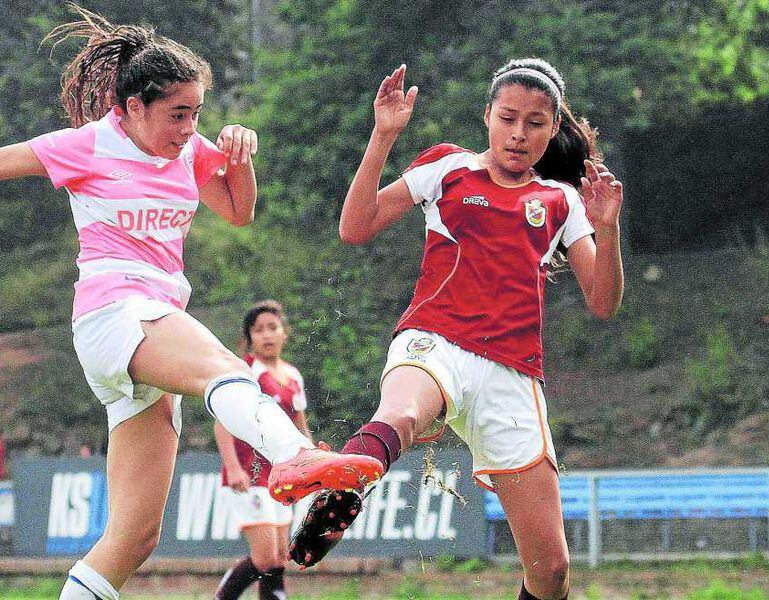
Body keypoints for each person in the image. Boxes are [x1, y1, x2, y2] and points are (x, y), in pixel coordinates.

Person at [0, 6, 382, 599]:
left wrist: (239, 161)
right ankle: (295, 456)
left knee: (133, 537)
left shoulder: (190, 150)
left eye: (197, 112)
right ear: (131, 107)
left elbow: (238, 211)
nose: (189, 126)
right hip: (113, 314)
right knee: (225, 369)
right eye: (178, 114)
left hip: (153, 328)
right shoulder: (85, 145)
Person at [289, 59, 624, 600]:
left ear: (554, 129)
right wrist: (382, 136)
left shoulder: (561, 202)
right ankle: (341, 491)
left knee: (552, 572)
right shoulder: (447, 168)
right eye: (508, 117)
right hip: (434, 340)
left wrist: (607, 229)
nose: (518, 134)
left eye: (535, 123)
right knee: (401, 412)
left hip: (512, 375)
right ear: (487, 114)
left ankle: (352, 473)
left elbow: (604, 302)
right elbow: (355, 228)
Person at [214, 300, 313, 600]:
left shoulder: (293, 376)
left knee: (280, 558)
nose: (267, 335)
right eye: (259, 330)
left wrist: (313, 461)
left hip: (281, 476)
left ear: (285, 333)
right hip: (250, 472)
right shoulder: (245, 371)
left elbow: (299, 425)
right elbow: (222, 422)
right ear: (249, 338)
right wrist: (233, 467)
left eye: (273, 327)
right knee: (265, 558)